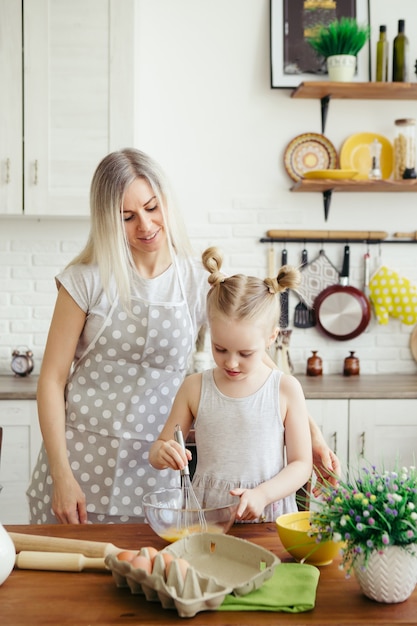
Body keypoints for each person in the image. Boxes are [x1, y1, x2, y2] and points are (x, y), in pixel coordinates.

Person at [27, 147, 339, 525]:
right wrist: (61, 474)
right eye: (127, 216)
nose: (145, 225)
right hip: (79, 460)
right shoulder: (84, 280)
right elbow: (52, 379)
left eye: (152, 207)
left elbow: (260, 361)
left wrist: (315, 435)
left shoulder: (196, 280)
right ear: (107, 220)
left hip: (158, 467)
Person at [149, 247, 313, 522]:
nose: (231, 363)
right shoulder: (194, 387)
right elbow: (158, 449)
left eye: (245, 353)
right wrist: (163, 452)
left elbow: (301, 465)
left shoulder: (285, 389)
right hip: (206, 514)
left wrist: (263, 494)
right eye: (220, 349)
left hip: (267, 516)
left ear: (271, 338)